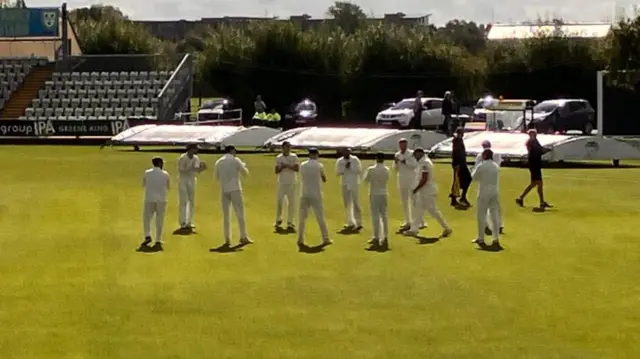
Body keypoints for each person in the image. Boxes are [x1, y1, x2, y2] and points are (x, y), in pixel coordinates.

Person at [405, 148, 453, 238]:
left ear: (420, 153)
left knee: (433, 211)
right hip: (424, 191)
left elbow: (425, 178)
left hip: (428, 191)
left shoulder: (425, 163)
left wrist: (416, 189)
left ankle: (447, 228)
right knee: (419, 210)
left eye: (415, 155)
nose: (415, 157)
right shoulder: (422, 162)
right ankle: (413, 230)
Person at [214, 145, 252, 248]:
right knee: (240, 213)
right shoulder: (236, 160)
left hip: (224, 189)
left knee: (226, 215)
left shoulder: (219, 162)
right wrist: (243, 165)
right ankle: (243, 236)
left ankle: (227, 238)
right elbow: (245, 173)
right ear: (232, 151)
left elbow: (216, 177)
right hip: (235, 189)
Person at [298, 147, 331, 248]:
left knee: (302, 217)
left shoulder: (303, 165)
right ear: (315, 154)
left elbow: (302, 176)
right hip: (316, 193)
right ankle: (325, 238)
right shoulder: (319, 165)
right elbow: (324, 178)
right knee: (320, 216)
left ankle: (300, 238)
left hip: (304, 192)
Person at [138, 156, 170, 252]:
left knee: (147, 218)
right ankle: (158, 239)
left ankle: (147, 235)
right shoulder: (165, 174)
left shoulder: (147, 173)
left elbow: (143, 184)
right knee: (159, 220)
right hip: (161, 199)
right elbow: (168, 187)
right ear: (160, 164)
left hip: (149, 199)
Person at [471, 149, 501, 248]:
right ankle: (496, 238)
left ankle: (481, 238)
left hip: (484, 191)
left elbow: (474, 178)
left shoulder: (481, 166)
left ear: (484, 156)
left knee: (481, 215)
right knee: (494, 214)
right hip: (494, 191)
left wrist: (473, 170)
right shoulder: (495, 166)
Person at [516, 129, 552, 209]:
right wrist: (546, 150)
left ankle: (539, 201)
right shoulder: (531, 142)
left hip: (535, 163)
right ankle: (539, 202)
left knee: (537, 183)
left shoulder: (534, 141)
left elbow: (539, 150)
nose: (536, 135)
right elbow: (538, 151)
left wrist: (546, 150)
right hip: (534, 164)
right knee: (537, 183)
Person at [473, 140, 503, 235]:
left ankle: (481, 234)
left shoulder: (481, 162)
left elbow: (475, 176)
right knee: (495, 210)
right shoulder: (496, 163)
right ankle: (497, 233)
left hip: (484, 188)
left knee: (482, 212)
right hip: (494, 187)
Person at [393, 138, 423, 231]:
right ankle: (408, 221)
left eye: (404, 144)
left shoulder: (411, 154)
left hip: (411, 180)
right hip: (401, 180)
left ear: (406, 145)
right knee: (404, 202)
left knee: (414, 201)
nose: (402, 146)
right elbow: (395, 169)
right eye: (401, 144)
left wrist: (405, 162)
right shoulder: (397, 154)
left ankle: (419, 221)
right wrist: (396, 162)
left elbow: (415, 165)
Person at [363, 152, 390, 250]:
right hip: (383, 193)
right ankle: (385, 235)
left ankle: (376, 236)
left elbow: (365, 180)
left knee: (375, 216)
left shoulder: (371, 169)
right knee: (384, 215)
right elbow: (387, 179)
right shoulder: (386, 169)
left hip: (374, 194)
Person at [177, 144, 207, 231]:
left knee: (192, 201)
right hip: (183, 180)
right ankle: (182, 222)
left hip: (192, 180)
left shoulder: (196, 158)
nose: (196, 151)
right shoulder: (183, 158)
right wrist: (192, 168)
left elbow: (197, 170)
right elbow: (181, 169)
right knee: (183, 201)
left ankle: (189, 222)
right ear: (190, 149)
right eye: (195, 149)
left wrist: (202, 168)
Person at [335, 148, 363, 232]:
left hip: (354, 183)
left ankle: (359, 222)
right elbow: (337, 172)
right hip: (344, 183)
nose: (346, 153)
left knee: (356, 202)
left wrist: (351, 167)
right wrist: (344, 168)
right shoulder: (339, 161)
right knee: (347, 203)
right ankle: (350, 222)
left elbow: (359, 170)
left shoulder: (355, 159)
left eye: (348, 152)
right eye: (344, 152)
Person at [274, 141, 299, 231]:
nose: (287, 149)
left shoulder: (294, 156)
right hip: (281, 182)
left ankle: (290, 222)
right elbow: (276, 171)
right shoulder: (279, 157)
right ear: (282, 148)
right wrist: (282, 167)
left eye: (289, 147)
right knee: (279, 201)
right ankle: (278, 219)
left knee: (291, 202)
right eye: (286, 147)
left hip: (291, 182)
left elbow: (296, 168)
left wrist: (286, 165)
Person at [450, 128, 472, 207]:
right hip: (458, 164)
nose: (463, 134)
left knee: (467, 179)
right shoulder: (456, 141)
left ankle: (461, 196)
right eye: (462, 132)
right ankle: (454, 199)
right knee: (457, 181)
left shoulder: (459, 140)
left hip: (462, 163)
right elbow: (455, 153)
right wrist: (456, 164)